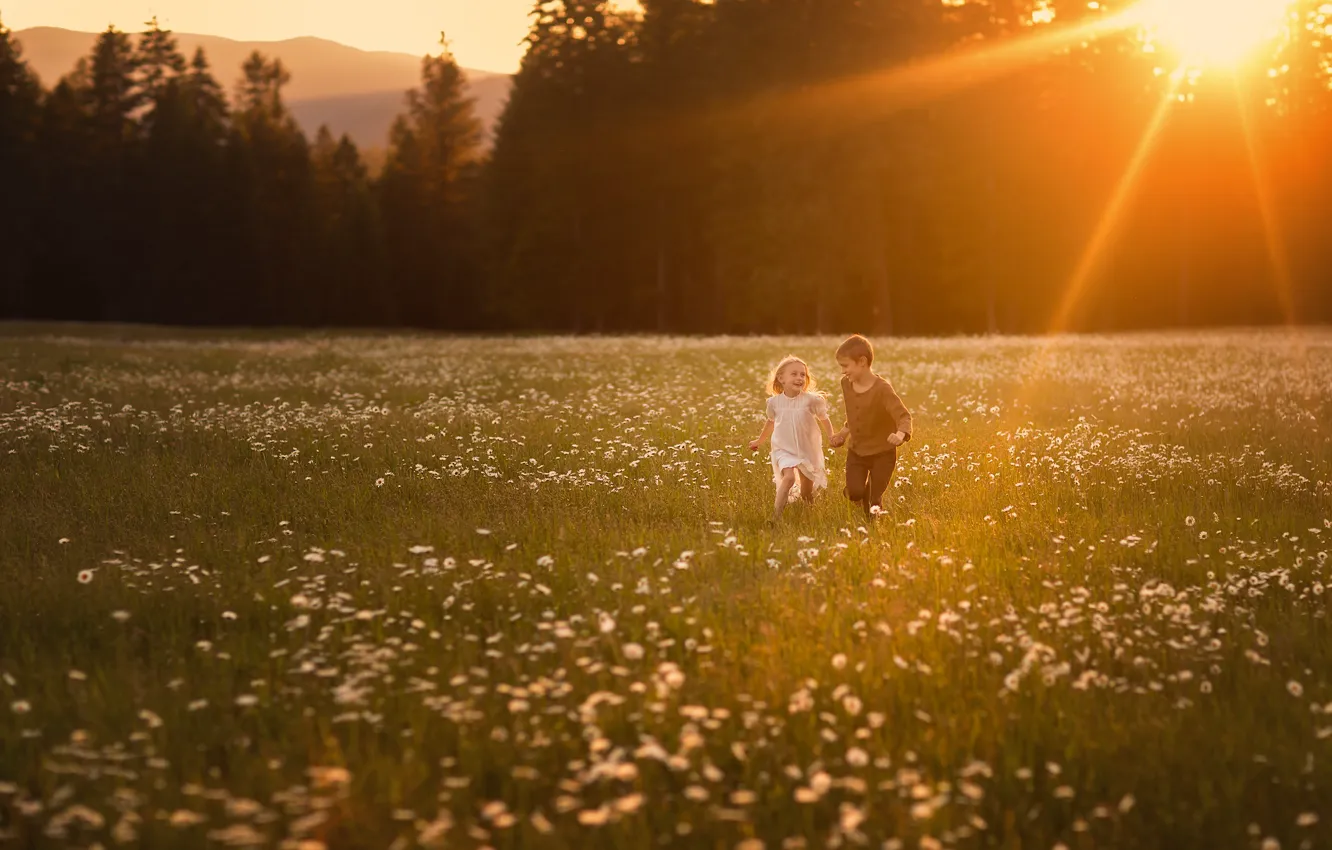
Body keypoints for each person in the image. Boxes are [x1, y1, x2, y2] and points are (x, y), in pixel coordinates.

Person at [829, 334, 913, 517]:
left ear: (862, 361)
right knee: (855, 493)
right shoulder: (846, 384)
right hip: (857, 452)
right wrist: (842, 434)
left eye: (845, 366)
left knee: (873, 500)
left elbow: (903, 415)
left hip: (882, 453)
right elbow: (854, 414)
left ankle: (872, 524)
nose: (843, 371)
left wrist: (900, 434)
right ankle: (857, 494)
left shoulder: (882, 389)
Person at [749, 355, 834, 525]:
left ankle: (810, 514)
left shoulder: (811, 400)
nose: (799, 378)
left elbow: (824, 418)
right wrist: (759, 441)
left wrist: (832, 436)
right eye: (794, 374)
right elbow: (770, 422)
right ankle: (775, 517)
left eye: (802, 375)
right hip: (783, 448)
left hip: (807, 449)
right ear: (781, 378)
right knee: (788, 478)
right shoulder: (774, 403)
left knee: (806, 493)